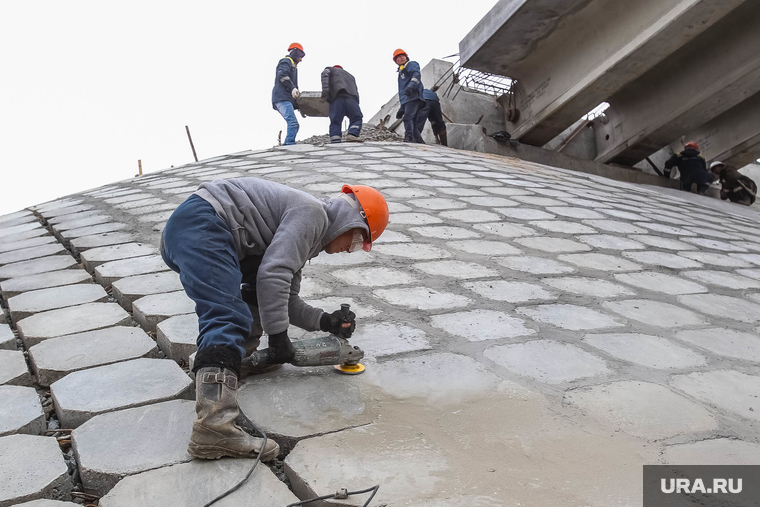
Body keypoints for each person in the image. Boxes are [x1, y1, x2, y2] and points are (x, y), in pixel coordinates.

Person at [160, 178, 389, 462]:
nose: (349, 249)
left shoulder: (308, 235)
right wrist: (278, 338)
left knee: (256, 293)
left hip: (198, 226)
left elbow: (283, 297)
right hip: (204, 225)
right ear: (350, 220)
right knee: (227, 314)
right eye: (357, 240)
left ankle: (231, 367)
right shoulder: (313, 214)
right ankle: (213, 427)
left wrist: (325, 321)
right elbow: (274, 275)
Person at [272, 43, 305, 146]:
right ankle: (289, 145)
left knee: (294, 124)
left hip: (284, 98)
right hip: (281, 97)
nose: (301, 59)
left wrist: (300, 106)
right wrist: (292, 88)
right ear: (295, 53)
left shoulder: (292, 66)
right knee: (293, 123)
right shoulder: (286, 61)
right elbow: (282, 75)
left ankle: (289, 144)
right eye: (300, 56)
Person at [321, 65, 363, 143]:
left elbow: (325, 75)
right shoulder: (351, 76)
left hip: (336, 97)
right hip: (351, 98)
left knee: (335, 120)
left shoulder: (330, 69)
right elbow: (356, 90)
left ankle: (335, 139)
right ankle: (352, 134)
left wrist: (325, 91)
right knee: (356, 117)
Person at [393, 49, 426, 143]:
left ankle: (408, 138)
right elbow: (402, 92)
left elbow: (416, 74)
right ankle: (420, 141)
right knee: (413, 122)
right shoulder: (401, 72)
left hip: (413, 96)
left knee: (408, 118)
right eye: (398, 57)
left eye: (403, 55)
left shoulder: (410, 64)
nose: (401, 57)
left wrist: (411, 86)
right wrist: (402, 107)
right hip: (409, 99)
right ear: (396, 61)